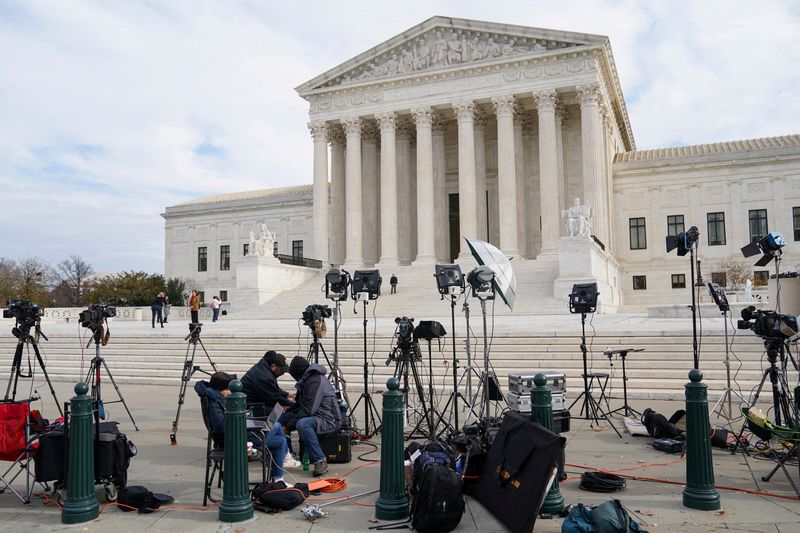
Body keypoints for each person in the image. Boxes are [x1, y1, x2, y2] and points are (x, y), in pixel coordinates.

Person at [194, 372, 288, 483]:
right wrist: (238, 418)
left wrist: (241, 417)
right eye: (229, 390)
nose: (230, 392)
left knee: (280, 441)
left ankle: (278, 479)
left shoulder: (218, 397)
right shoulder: (215, 403)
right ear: (222, 389)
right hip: (234, 440)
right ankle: (286, 456)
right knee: (276, 425)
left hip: (238, 433)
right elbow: (221, 427)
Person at [280, 356, 342, 477]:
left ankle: (320, 460)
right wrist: (288, 409)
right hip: (315, 415)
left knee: (302, 424)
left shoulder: (315, 381)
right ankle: (287, 455)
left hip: (328, 419)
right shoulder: (307, 379)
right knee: (281, 418)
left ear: (298, 372)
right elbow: (300, 403)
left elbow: (308, 410)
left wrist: (288, 426)